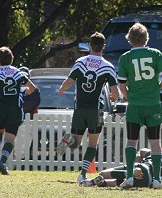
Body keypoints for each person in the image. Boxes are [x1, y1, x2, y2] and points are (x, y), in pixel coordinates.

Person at [56, 32, 119, 184]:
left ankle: (67, 140)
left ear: (90, 45)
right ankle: (82, 174)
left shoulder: (80, 62)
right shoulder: (108, 66)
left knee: (76, 144)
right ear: (103, 47)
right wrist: (113, 97)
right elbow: (115, 92)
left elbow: (69, 81)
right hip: (95, 110)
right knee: (92, 144)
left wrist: (61, 89)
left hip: (79, 109)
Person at [117, 22, 162, 189]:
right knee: (155, 142)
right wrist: (156, 88)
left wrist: (131, 97)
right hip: (153, 104)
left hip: (135, 105)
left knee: (131, 141)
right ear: (146, 38)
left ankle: (129, 177)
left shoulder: (125, 58)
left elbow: (122, 86)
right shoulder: (156, 54)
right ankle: (157, 179)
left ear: (129, 39)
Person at [0, 46, 36, 175]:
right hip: (15, 108)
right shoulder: (18, 73)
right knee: (10, 139)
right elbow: (32, 88)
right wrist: (25, 91)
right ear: (12, 59)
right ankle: (2, 162)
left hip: (1, 107)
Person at [81, 148, 158, 188]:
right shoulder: (156, 152)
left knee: (103, 174)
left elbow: (142, 151)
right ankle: (97, 182)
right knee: (117, 182)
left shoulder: (155, 152)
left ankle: (132, 172)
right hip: (147, 182)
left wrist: (136, 164)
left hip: (143, 168)